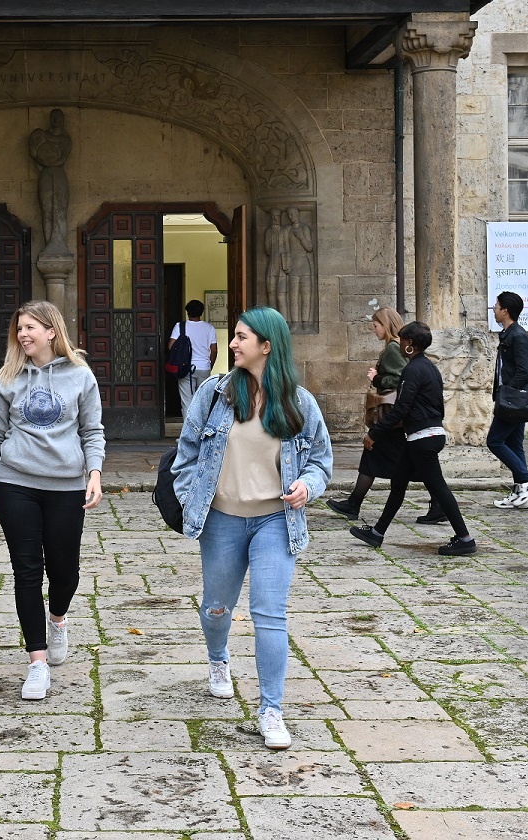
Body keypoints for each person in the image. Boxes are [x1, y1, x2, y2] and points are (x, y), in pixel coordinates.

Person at [171, 306, 333, 751]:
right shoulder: (214, 394)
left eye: (242, 337)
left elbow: (322, 461)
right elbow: (185, 454)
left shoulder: (299, 402)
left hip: (276, 522)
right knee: (216, 607)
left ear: (267, 346)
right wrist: (190, 496)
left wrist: (307, 485)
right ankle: (218, 659)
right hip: (222, 519)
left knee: (269, 614)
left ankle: (271, 709)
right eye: (235, 335)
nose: (233, 343)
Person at [0, 300, 105, 701]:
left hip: (67, 485)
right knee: (26, 572)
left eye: (31, 327)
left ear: (52, 331)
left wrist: (95, 473)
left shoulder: (80, 376)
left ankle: (58, 619)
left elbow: (93, 430)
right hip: (16, 484)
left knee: (65, 570)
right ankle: (37, 662)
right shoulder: (8, 378)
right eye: (19, 329)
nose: (23, 335)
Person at [348, 321, 477, 557]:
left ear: (410, 345)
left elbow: (401, 408)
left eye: (404, 341)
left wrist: (374, 433)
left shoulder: (413, 370)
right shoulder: (430, 368)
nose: (401, 344)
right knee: (398, 484)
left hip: (423, 438)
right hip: (425, 435)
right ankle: (377, 532)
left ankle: (464, 538)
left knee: (439, 488)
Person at [326, 307, 408, 521]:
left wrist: (377, 378)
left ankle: (353, 504)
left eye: (376, 325)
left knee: (391, 459)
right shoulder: (398, 346)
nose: (374, 330)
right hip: (396, 420)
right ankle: (353, 503)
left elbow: (403, 379)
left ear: (386, 325)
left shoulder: (392, 347)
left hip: (391, 416)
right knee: (379, 458)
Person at [488, 290, 528, 509]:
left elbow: (524, 371)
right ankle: (522, 494)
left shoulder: (519, 337)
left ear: (506, 311)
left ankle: (527, 480)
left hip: (513, 400)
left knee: (494, 441)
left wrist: (507, 393)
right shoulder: (508, 334)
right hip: (510, 398)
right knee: (514, 444)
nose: (494, 309)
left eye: (497, 306)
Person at [169, 299, 219, 413]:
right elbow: (214, 350)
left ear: (187, 312)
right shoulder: (209, 328)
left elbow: (171, 346)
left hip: (185, 367)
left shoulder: (180, 326)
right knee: (203, 401)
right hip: (204, 367)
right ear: (202, 312)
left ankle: (189, 429)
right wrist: (210, 365)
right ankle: (202, 429)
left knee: (187, 401)